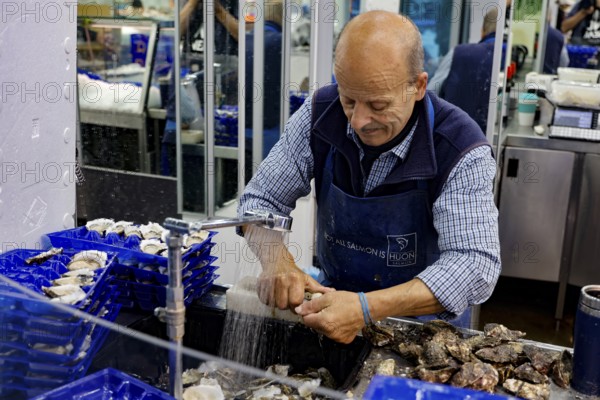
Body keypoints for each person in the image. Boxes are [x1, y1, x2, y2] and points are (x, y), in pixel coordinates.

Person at [237, 11, 501, 344]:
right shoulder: (321, 112)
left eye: (378, 105)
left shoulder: (460, 147)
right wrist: (277, 261)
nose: (359, 121)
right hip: (332, 304)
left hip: (422, 328)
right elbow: (259, 201)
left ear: (418, 86)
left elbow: (475, 263)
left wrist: (365, 307)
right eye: (350, 100)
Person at [428, 8, 499, 134]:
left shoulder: (460, 53)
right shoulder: (512, 56)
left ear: (482, 31)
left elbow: (429, 95)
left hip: (454, 137)